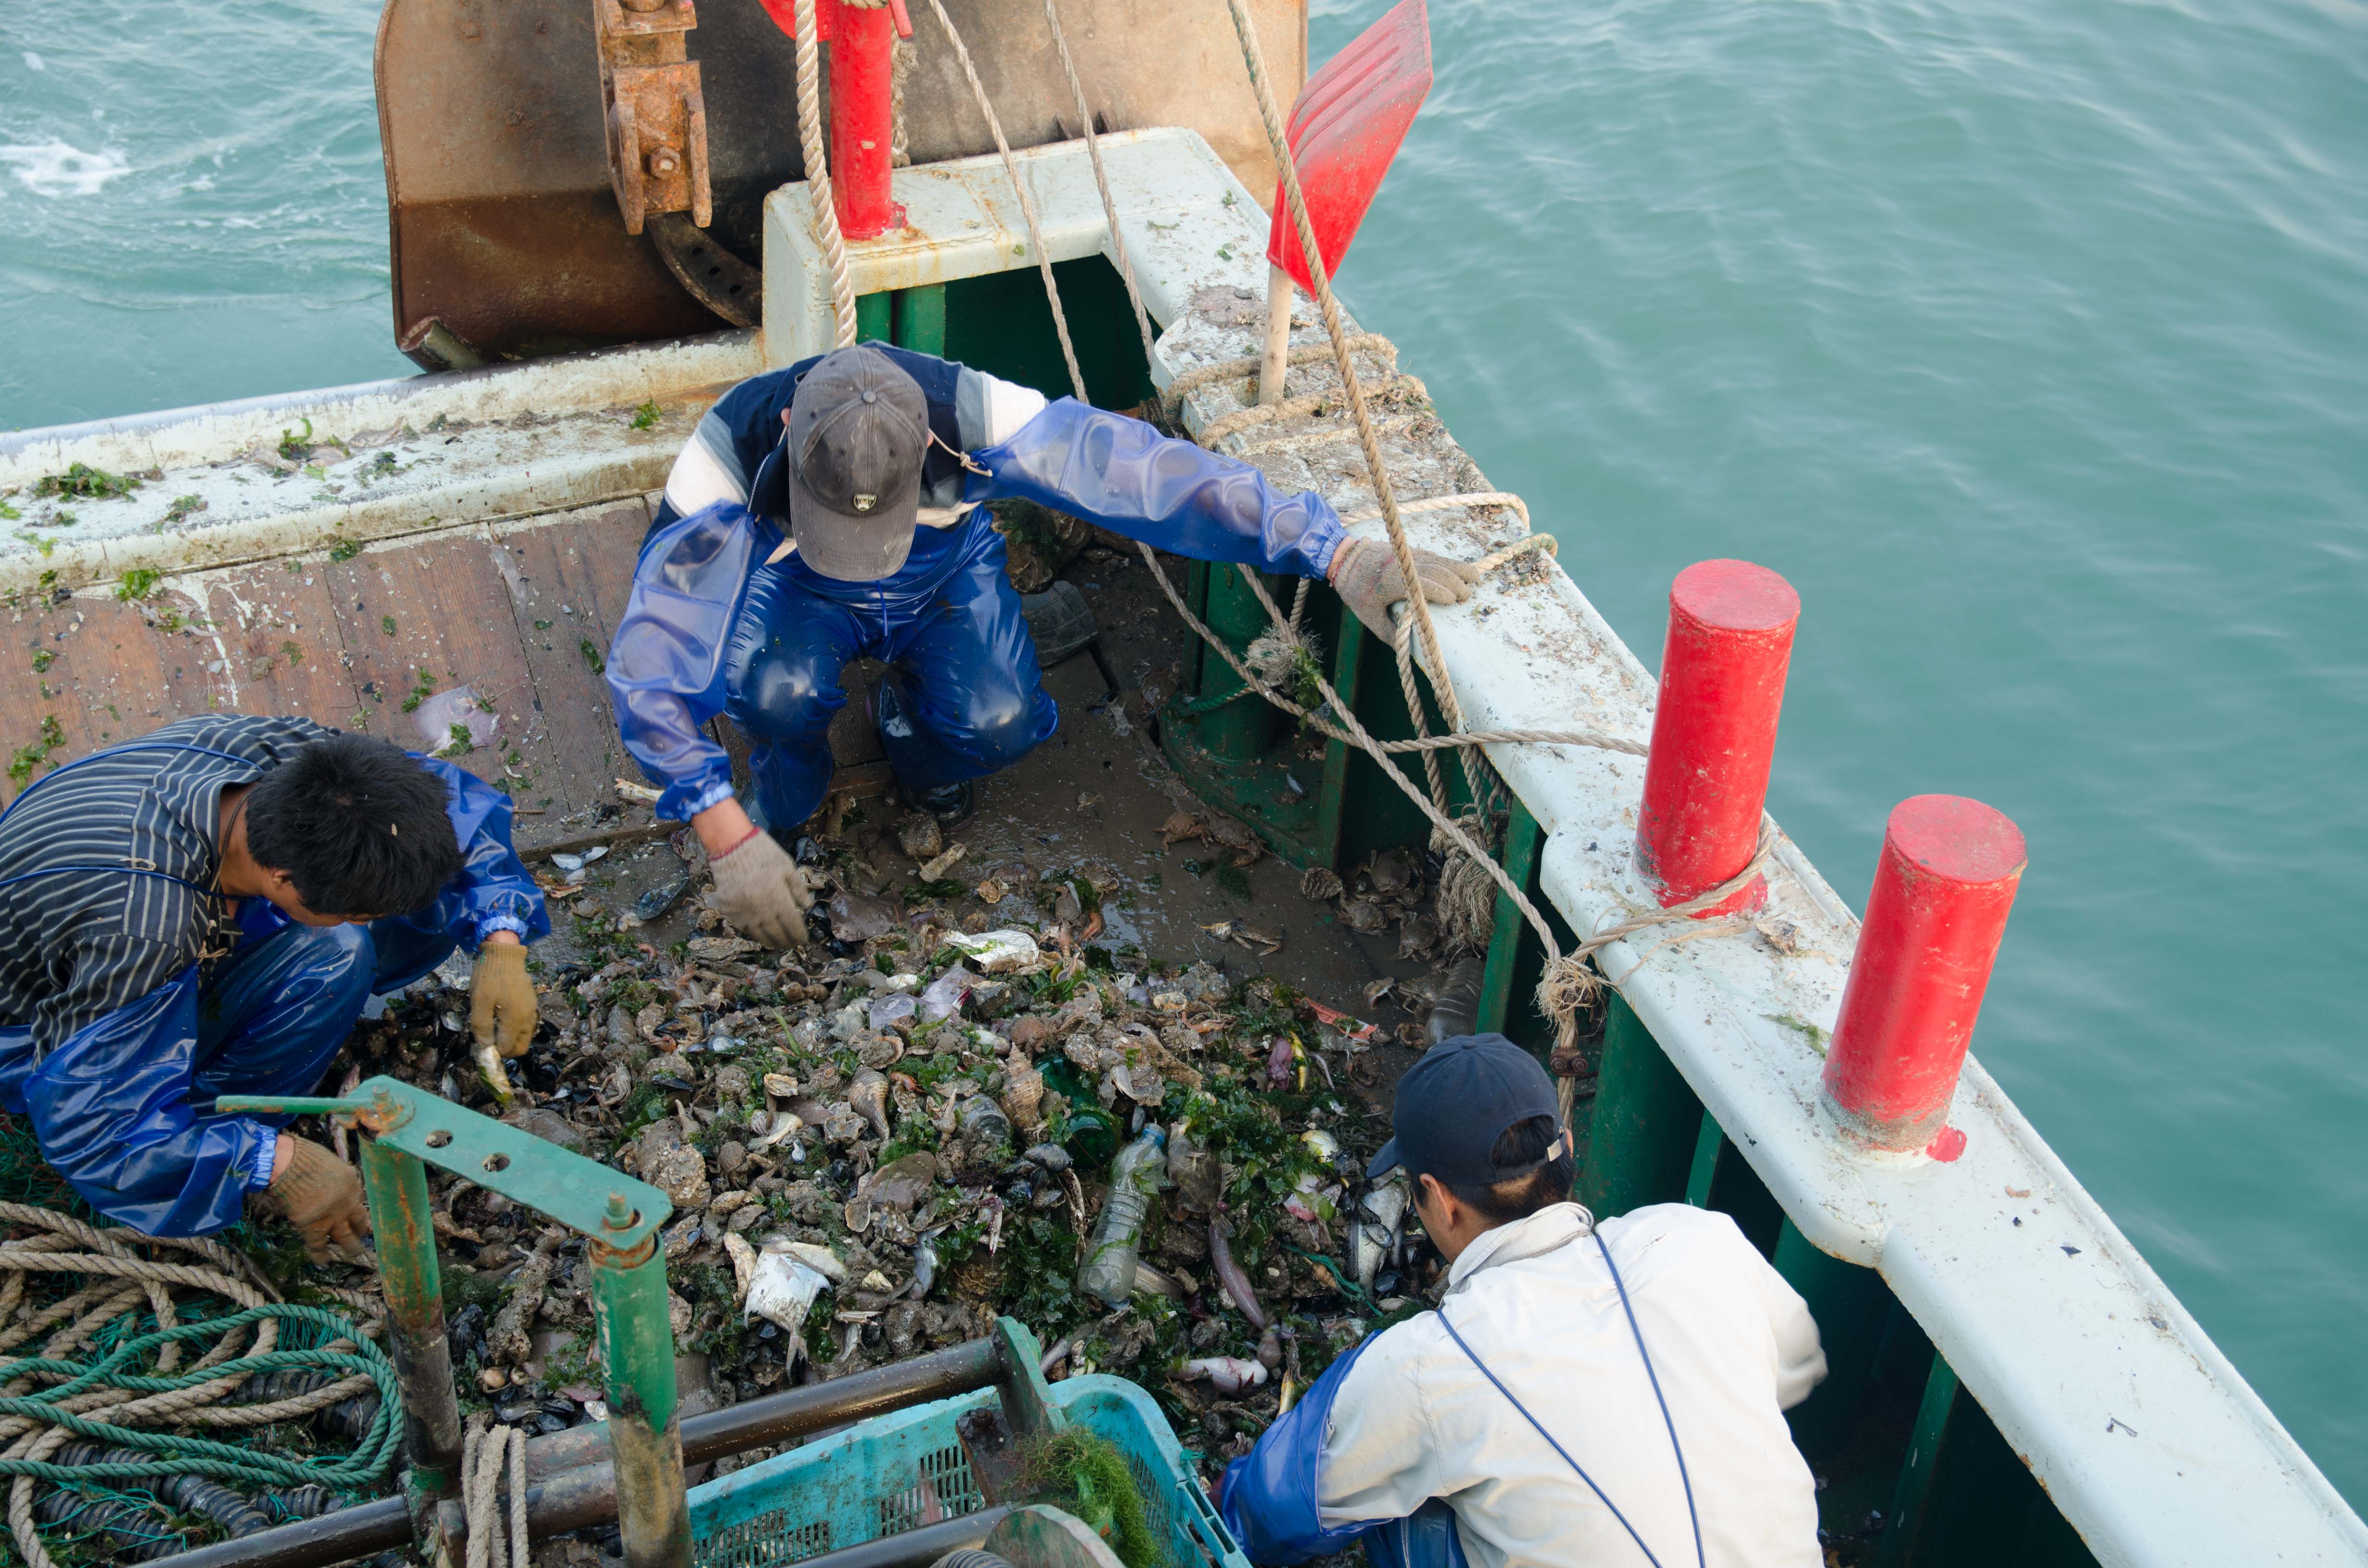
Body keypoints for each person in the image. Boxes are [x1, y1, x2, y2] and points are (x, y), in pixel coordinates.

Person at [606, 343, 1482, 947]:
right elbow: (652, 663)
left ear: (929, 447)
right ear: (791, 428)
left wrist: (1330, 548)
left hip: (938, 571)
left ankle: (914, 735)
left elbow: (1149, 475)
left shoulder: (982, 413)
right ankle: (783, 802)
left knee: (998, 722)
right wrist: (724, 835)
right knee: (765, 693)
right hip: (794, 590)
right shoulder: (727, 453)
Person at [1220, 1034, 1828, 1568]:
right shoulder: (1695, 1239)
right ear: (1565, 1141)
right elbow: (1795, 1368)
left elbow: (1276, 1508)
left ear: (1438, 1196)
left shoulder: (1430, 1367)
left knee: (1407, 1501)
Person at [0, 717, 550, 1257]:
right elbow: (93, 1125)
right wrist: (272, 1161)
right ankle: (216, 1129)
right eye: (358, 909)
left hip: (98, 922)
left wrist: (502, 936)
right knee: (335, 954)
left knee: (404, 882)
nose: (370, 917)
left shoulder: (289, 759)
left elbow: (443, 803)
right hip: (39, 1032)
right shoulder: (144, 931)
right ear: (281, 880)